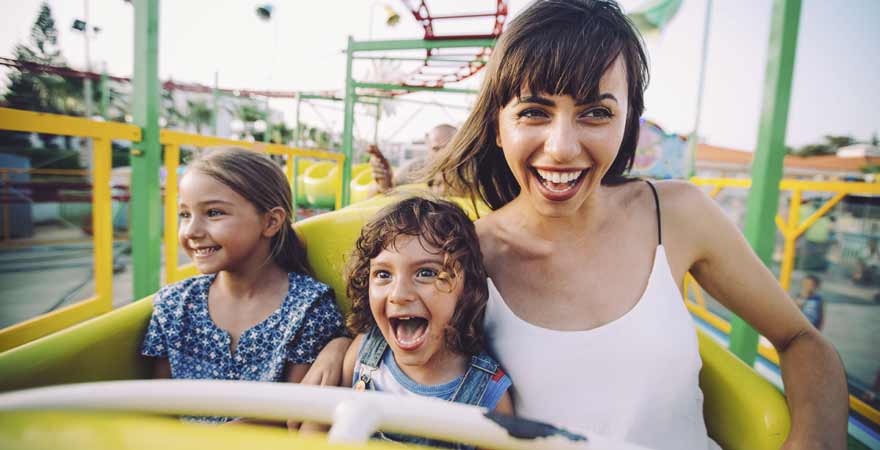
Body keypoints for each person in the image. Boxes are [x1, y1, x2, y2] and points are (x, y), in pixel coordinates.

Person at [308, 1, 848, 448]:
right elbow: (400, 328)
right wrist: (339, 346)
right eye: (534, 112)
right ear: (498, 126)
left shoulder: (677, 214)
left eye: (595, 113)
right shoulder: (465, 256)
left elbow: (801, 339)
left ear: (628, 120)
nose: (562, 147)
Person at [141, 148, 345, 425]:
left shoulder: (309, 307)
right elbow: (158, 406)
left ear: (271, 221)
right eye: (185, 214)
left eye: (213, 213)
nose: (191, 231)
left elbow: (294, 420)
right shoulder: (174, 304)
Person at [339, 197, 513, 448]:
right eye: (383, 274)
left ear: (467, 287)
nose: (399, 294)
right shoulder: (363, 353)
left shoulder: (487, 393)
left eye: (426, 273)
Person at [368, 124, 457, 195]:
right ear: (428, 147)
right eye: (436, 149)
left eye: (447, 148)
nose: (442, 155)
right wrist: (385, 184)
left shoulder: (466, 172)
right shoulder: (416, 168)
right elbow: (375, 192)